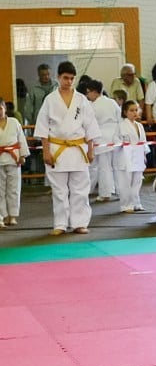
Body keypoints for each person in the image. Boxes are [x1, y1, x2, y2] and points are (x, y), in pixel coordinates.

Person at [33, 61, 101, 236]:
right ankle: (60, 223)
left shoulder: (81, 99)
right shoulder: (50, 99)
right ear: (58, 77)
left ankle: (79, 223)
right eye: (65, 78)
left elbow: (90, 126)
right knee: (59, 190)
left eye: (72, 78)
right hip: (57, 149)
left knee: (80, 189)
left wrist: (91, 149)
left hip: (78, 148)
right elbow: (42, 128)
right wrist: (46, 151)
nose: (69, 81)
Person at [83, 80, 121, 203]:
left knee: (103, 167)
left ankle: (105, 193)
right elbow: (119, 118)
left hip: (101, 138)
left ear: (94, 91)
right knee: (113, 167)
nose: (87, 95)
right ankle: (117, 191)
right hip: (114, 137)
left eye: (88, 92)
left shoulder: (92, 106)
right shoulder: (112, 102)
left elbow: (88, 124)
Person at [0, 97, 29, 227]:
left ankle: (12, 216)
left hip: (13, 158)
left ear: (5, 108)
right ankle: (2, 216)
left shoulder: (14, 122)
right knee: (0, 190)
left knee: (14, 188)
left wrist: (23, 155)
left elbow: (21, 139)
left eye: (0, 108)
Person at [115, 100, 149, 213]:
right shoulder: (120, 126)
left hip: (138, 155)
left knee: (137, 181)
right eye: (131, 110)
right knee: (125, 182)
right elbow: (115, 141)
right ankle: (126, 205)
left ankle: (136, 203)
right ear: (125, 112)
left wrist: (144, 155)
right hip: (125, 156)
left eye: (136, 110)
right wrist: (123, 143)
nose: (135, 112)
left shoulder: (139, 126)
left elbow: (143, 142)